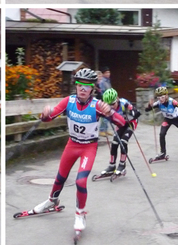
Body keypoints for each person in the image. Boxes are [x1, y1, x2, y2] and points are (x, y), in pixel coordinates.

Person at [31, 68, 126, 234]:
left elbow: (122, 123)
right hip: (72, 145)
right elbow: (49, 117)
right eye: (80, 85)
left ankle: (80, 214)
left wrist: (109, 112)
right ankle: (52, 201)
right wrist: (44, 114)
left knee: (81, 181)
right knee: (60, 177)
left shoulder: (97, 106)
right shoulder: (69, 101)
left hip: (88, 147)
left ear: (92, 89)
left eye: (87, 86)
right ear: (76, 86)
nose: (82, 88)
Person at [98, 88, 140, 178]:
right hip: (120, 125)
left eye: (113, 104)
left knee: (123, 142)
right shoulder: (107, 107)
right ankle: (112, 165)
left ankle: (122, 165)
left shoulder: (124, 103)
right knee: (114, 143)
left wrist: (132, 114)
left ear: (117, 98)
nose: (111, 106)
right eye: (109, 104)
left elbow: (136, 112)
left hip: (130, 123)